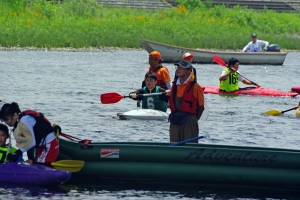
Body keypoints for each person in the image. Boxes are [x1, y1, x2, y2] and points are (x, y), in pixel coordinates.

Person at [168, 60, 205, 143]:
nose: (178, 69)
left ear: (188, 71)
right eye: (177, 67)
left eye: (181, 68)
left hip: (189, 120)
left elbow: (201, 107)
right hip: (175, 120)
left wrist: (193, 120)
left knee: (190, 145)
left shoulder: (195, 87)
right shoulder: (174, 85)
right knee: (174, 146)